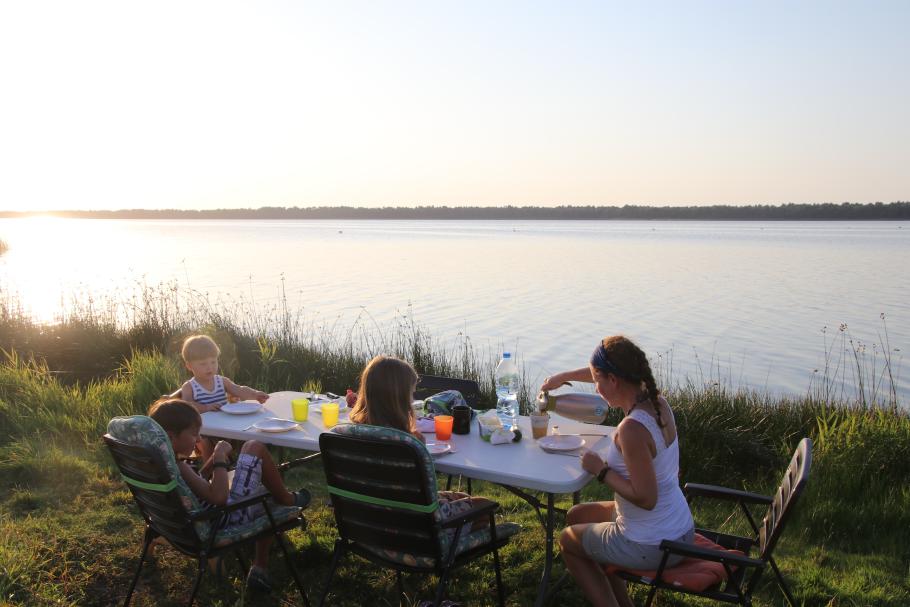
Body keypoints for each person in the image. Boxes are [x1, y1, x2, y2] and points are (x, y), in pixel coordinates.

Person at [544, 336, 694, 607]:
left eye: (598, 381)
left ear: (613, 379)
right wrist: (561, 377)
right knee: (577, 515)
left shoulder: (632, 430)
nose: (596, 388)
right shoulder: (659, 403)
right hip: (679, 527)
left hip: (652, 543)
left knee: (568, 540)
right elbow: (603, 373)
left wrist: (601, 471)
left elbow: (647, 499)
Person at [148, 398, 310, 592]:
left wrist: (210, 466)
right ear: (170, 436)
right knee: (254, 449)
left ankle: (262, 561)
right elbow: (218, 498)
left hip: (188, 524)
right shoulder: (179, 467)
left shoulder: (160, 465)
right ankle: (286, 502)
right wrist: (218, 459)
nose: (199, 440)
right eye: (193, 434)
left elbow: (194, 485)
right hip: (224, 520)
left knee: (261, 487)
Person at [347, 355, 491, 531]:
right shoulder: (406, 447)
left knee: (461, 496)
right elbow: (424, 490)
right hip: (415, 527)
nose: (413, 400)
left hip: (369, 524)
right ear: (397, 398)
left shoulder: (348, 435)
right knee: (484, 506)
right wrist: (418, 448)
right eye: (411, 393)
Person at [175, 334, 269, 463]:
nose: (210, 367)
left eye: (213, 362)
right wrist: (206, 407)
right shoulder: (190, 386)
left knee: (247, 432)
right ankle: (210, 470)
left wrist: (255, 394)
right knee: (205, 442)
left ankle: (245, 463)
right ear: (189, 366)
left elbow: (239, 390)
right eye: (203, 364)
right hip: (202, 430)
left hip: (226, 427)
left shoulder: (221, 381)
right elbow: (187, 406)